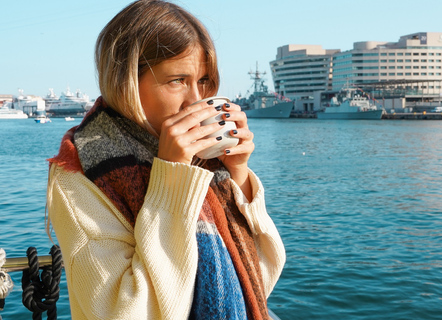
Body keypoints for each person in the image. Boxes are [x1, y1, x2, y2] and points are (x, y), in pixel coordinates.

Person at [46, 0, 285, 319]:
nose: (196, 100)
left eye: (203, 81)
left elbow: (259, 282)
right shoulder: (82, 170)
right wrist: (173, 179)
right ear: (126, 79)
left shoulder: (205, 163)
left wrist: (239, 174)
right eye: (177, 81)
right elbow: (125, 312)